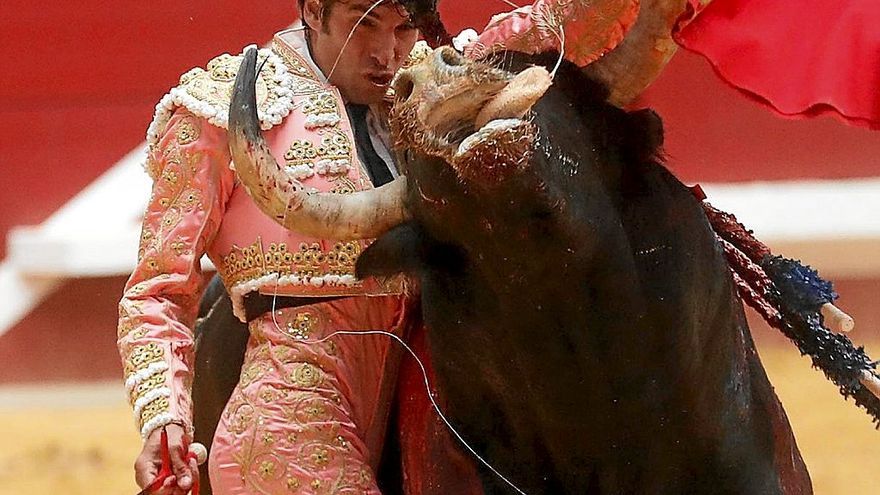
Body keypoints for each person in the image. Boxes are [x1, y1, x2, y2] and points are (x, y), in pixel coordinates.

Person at [117, 1, 424, 493]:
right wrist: (165, 416)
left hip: (427, 405)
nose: (386, 54)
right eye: (362, 25)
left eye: (404, 29)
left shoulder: (428, 90)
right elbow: (158, 291)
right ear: (314, 11)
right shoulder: (222, 107)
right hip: (290, 425)